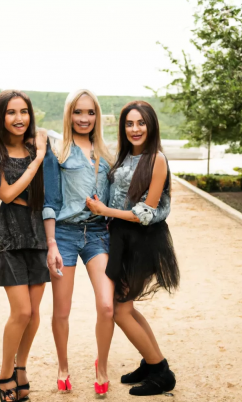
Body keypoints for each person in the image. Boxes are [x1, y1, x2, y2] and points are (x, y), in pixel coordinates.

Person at [86, 100, 180, 397]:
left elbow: (146, 214)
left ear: (151, 126)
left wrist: (104, 211)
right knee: (125, 307)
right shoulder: (125, 157)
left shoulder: (157, 159)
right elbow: (119, 197)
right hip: (121, 239)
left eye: (141, 123)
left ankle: (161, 372)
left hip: (143, 240)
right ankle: (153, 365)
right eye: (129, 123)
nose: (135, 129)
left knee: (120, 310)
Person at [0, 90, 50, 402]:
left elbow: (50, 193)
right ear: (0, 117)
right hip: (8, 238)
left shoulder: (38, 145)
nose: (19, 118)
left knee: (34, 315)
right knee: (21, 311)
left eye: (24, 112)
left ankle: (21, 370)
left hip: (37, 237)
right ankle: (5, 374)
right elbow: (6, 194)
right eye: (11, 112)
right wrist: (37, 161)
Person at [43, 89, 114, 394]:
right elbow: (49, 201)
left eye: (90, 112)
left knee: (107, 306)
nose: (84, 119)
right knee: (62, 310)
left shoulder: (108, 154)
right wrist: (52, 244)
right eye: (78, 112)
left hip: (99, 235)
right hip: (65, 236)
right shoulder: (57, 153)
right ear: (69, 114)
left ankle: (103, 367)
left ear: (97, 116)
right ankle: (63, 366)